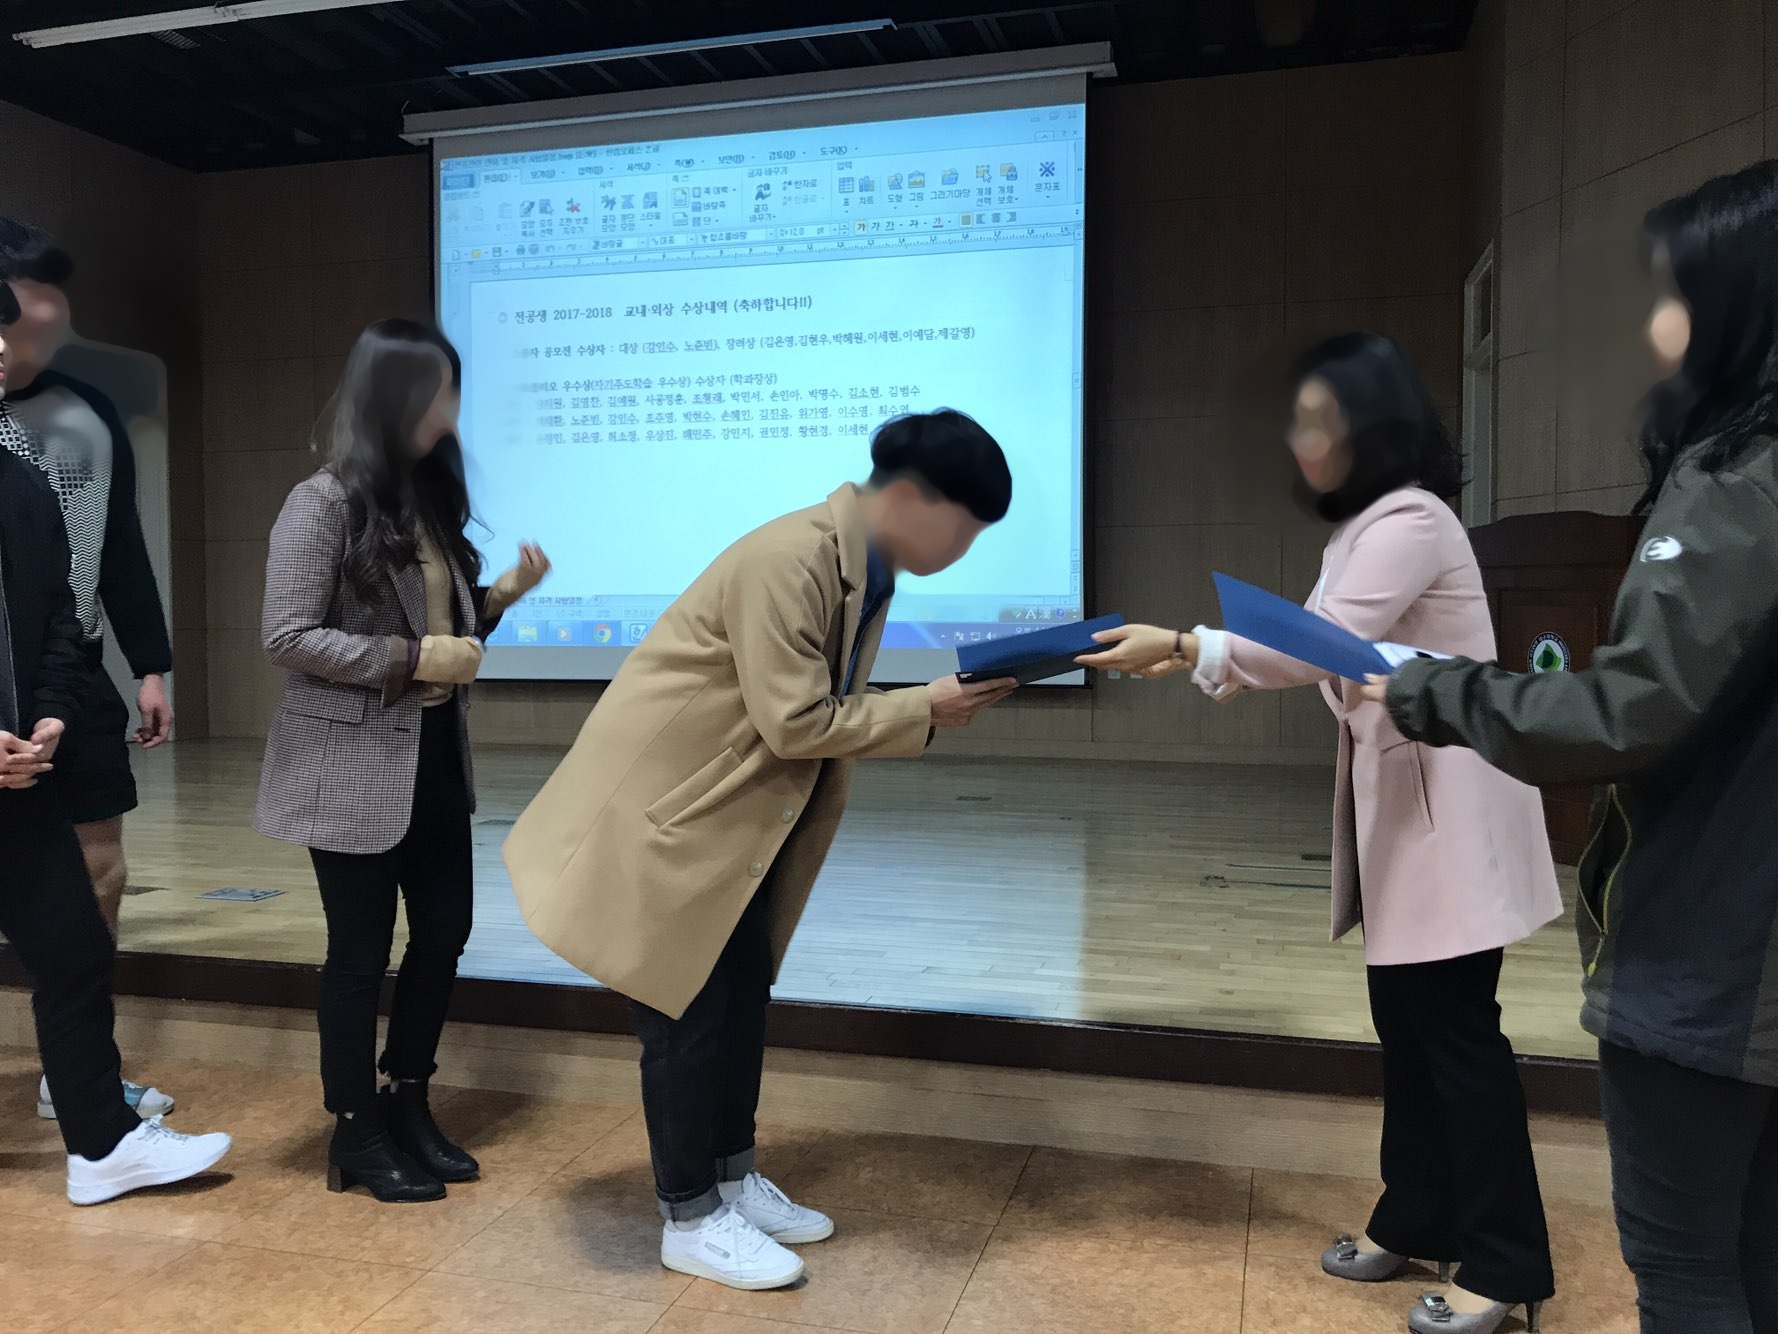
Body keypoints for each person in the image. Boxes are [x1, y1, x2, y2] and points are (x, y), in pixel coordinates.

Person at [1366, 162, 1778, 1334]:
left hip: (1719, 942)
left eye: (1670, 292)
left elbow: (1627, 707)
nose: (1649, 325)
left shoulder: (1736, 482)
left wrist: (1423, 687)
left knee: (1685, 1263)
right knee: (1751, 1248)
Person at [1080, 334, 1561, 1334]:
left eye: (1319, 419)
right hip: (1409, 813)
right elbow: (1312, 642)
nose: (1300, 440)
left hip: (1449, 813)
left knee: (1455, 1035)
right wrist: (1202, 652)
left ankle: (1506, 1260)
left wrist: (1189, 644)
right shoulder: (1364, 527)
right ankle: (1418, 1211)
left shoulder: (1410, 519)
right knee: (1408, 1025)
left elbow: (1317, 643)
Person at [505, 409, 1018, 1291]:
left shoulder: (864, 565)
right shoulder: (793, 557)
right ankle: (689, 1216)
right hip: (673, 815)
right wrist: (923, 708)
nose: (966, 549)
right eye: (965, 529)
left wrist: (917, 709)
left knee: (739, 996)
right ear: (909, 499)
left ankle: (731, 1181)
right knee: (684, 1011)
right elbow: (794, 721)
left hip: (731, 817)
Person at [256, 319, 550, 1203]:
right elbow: (285, 635)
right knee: (359, 954)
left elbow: (444, 630)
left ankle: (408, 1099)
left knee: (444, 933)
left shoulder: (425, 500)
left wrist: (497, 598)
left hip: (431, 756)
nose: (452, 412)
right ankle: (354, 1128)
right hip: (349, 762)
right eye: (439, 394)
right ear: (392, 397)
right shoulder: (322, 502)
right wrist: (413, 658)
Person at [1, 279, 232, 1203]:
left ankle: (103, 1146)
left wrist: (55, 710)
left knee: (73, 948)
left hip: (19, 770)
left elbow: (64, 612)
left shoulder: (18, 479)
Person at [0, 217, 176, 1124]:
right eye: (30, 297)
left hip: (70, 673)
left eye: (52, 298)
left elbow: (118, 545)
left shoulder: (87, 413)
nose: (45, 316)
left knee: (100, 867)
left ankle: (76, 1076)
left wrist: (150, 664)